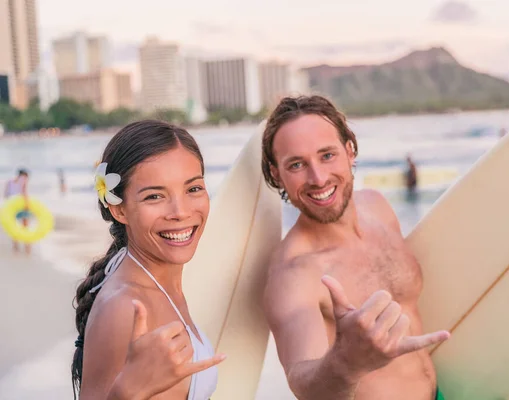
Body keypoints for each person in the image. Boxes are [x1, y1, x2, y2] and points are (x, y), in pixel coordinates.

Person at [260, 95, 450, 400]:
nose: (318, 178)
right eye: (296, 164)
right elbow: (304, 384)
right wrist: (346, 362)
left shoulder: (378, 207)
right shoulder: (295, 273)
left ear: (350, 151)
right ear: (275, 174)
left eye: (327, 155)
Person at [71, 120, 225, 400]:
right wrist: (127, 392)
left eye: (193, 189)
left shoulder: (143, 274)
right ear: (119, 210)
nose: (180, 212)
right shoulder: (126, 308)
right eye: (154, 196)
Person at [3, 168, 31, 255]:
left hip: (12, 207)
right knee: (25, 226)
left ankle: (16, 246)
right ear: (23, 175)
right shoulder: (23, 181)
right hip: (21, 206)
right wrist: (27, 205)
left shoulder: (9, 182)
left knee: (14, 226)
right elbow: (24, 193)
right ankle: (27, 246)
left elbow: (6, 195)